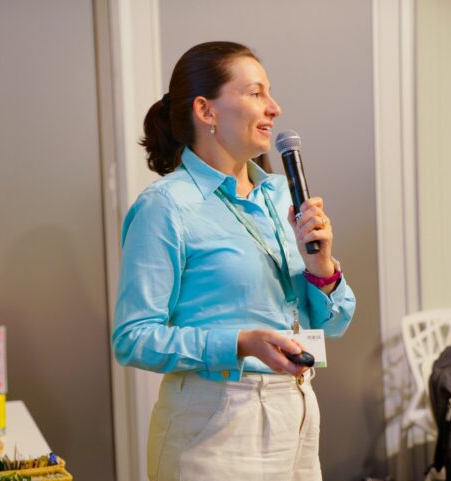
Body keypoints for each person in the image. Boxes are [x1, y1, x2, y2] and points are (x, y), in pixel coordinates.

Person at [111, 41, 356, 481]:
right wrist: (239, 342)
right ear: (206, 111)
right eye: (255, 93)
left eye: (270, 93)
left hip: (298, 413)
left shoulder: (281, 195)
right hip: (215, 426)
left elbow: (333, 325)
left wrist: (322, 267)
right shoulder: (166, 206)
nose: (274, 108)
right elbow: (133, 338)